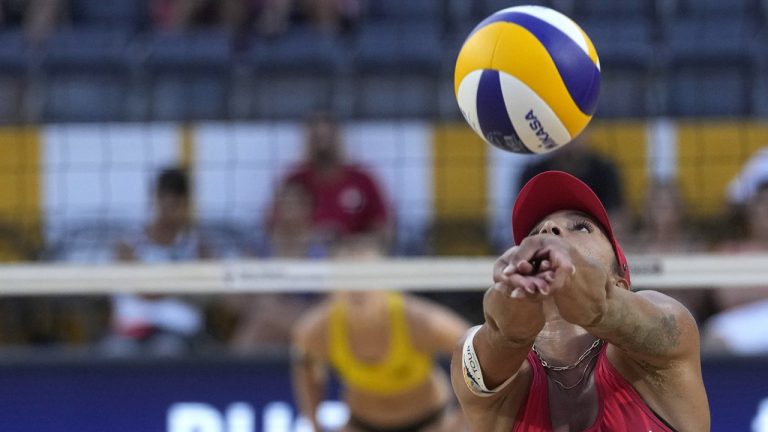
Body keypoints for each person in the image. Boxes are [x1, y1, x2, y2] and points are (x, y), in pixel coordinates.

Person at [452, 171, 709, 431]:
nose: (549, 230)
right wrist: (516, 293)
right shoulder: (484, 362)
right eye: (535, 234)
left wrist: (566, 263)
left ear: (620, 282)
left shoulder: (667, 325)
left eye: (580, 227)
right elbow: (504, 333)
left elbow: (603, 305)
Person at [291, 236, 469, 432]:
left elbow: (472, 350)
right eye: (347, 278)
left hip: (431, 422)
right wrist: (315, 424)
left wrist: (463, 418)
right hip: (361, 424)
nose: (356, 289)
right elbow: (306, 370)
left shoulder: (417, 321)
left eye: (365, 277)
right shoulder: (316, 331)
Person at [103, 167, 210, 356]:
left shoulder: (198, 245)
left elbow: (207, 294)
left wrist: (155, 283)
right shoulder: (129, 244)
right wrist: (181, 285)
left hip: (177, 332)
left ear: (185, 203)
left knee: (166, 351)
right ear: (156, 198)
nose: (170, 211)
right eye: (165, 201)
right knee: (116, 353)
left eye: (177, 203)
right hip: (131, 331)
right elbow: (146, 290)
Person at [278, 111, 390, 249]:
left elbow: (383, 230)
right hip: (305, 260)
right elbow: (273, 229)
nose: (323, 143)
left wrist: (350, 245)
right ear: (307, 139)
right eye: (317, 137)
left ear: (339, 138)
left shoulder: (362, 180)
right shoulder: (294, 180)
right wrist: (313, 238)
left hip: (352, 259)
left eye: (327, 136)